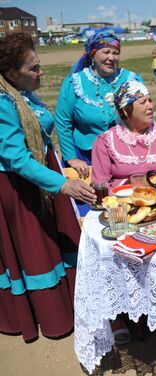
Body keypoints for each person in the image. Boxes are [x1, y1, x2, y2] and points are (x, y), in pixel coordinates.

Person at [0, 33, 96, 341]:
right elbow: (16, 158)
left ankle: (70, 307)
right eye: (34, 69)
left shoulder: (23, 93)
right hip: (20, 186)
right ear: (11, 73)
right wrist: (63, 185)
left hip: (43, 177)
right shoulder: (3, 102)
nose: (41, 73)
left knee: (58, 242)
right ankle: (51, 318)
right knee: (36, 250)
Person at [55, 29, 143, 214]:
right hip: (85, 159)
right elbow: (63, 121)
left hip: (124, 157)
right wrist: (72, 158)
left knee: (127, 207)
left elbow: (144, 115)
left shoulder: (131, 80)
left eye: (116, 52)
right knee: (90, 211)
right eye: (106, 52)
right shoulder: (75, 82)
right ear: (93, 55)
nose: (112, 57)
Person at [92, 80, 156, 191]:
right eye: (143, 102)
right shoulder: (105, 141)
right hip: (122, 203)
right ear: (126, 110)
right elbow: (100, 185)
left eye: (150, 100)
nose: (150, 106)